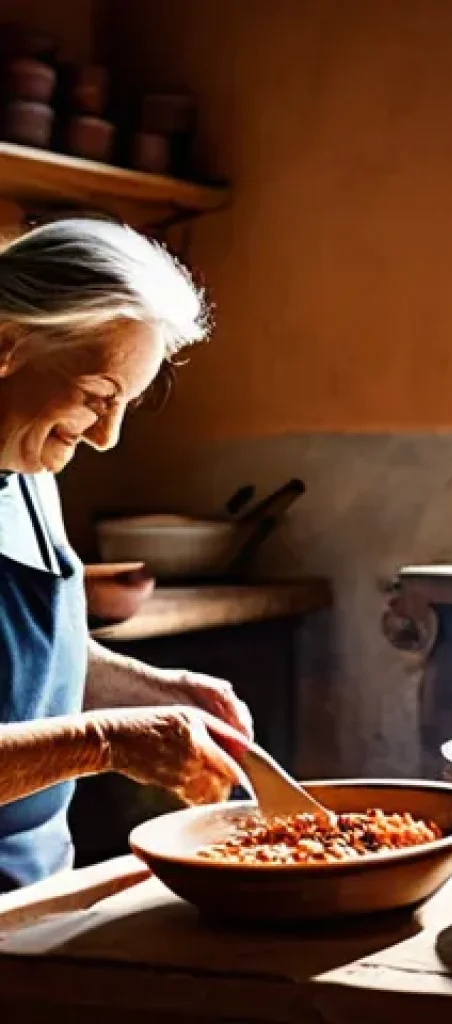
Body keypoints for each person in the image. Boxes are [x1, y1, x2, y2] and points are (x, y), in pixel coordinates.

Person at [0, 217, 254, 892]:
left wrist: (156, 689)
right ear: (8, 344)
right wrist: (109, 741)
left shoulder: (30, 473)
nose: (107, 437)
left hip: (34, 888)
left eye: (127, 406)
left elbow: (32, 661)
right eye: (96, 398)